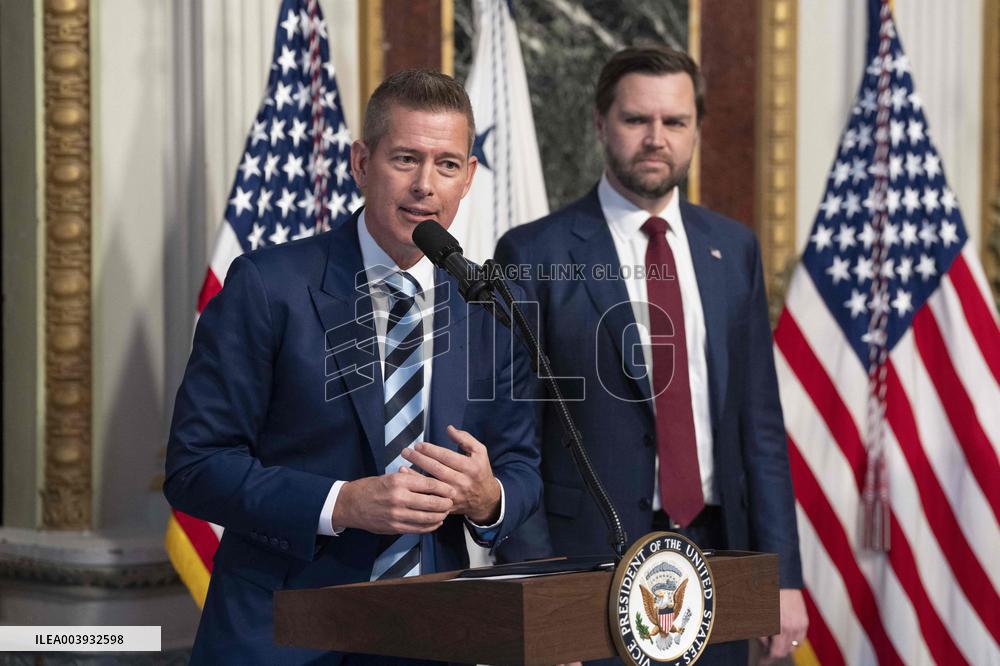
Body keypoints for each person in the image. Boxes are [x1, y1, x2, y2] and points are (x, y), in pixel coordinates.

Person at [165, 69, 541, 664]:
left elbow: (521, 466)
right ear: (361, 162)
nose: (424, 185)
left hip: (430, 634)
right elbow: (195, 465)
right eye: (405, 159)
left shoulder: (493, 306)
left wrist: (487, 496)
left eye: (446, 165)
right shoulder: (268, 286)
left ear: (469, 177)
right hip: (282, 634)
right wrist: (341, 504)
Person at [494, 46, 807, 664]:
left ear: (697, 129)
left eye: (675, 121)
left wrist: (782, 574)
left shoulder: (733, 249)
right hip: (587, 570)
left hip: (720, 560)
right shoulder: (533, 254)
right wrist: (537, 589)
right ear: (600, 122)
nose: (656, 138)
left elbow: (760, 427)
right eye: (637, 119)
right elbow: (513, 435)